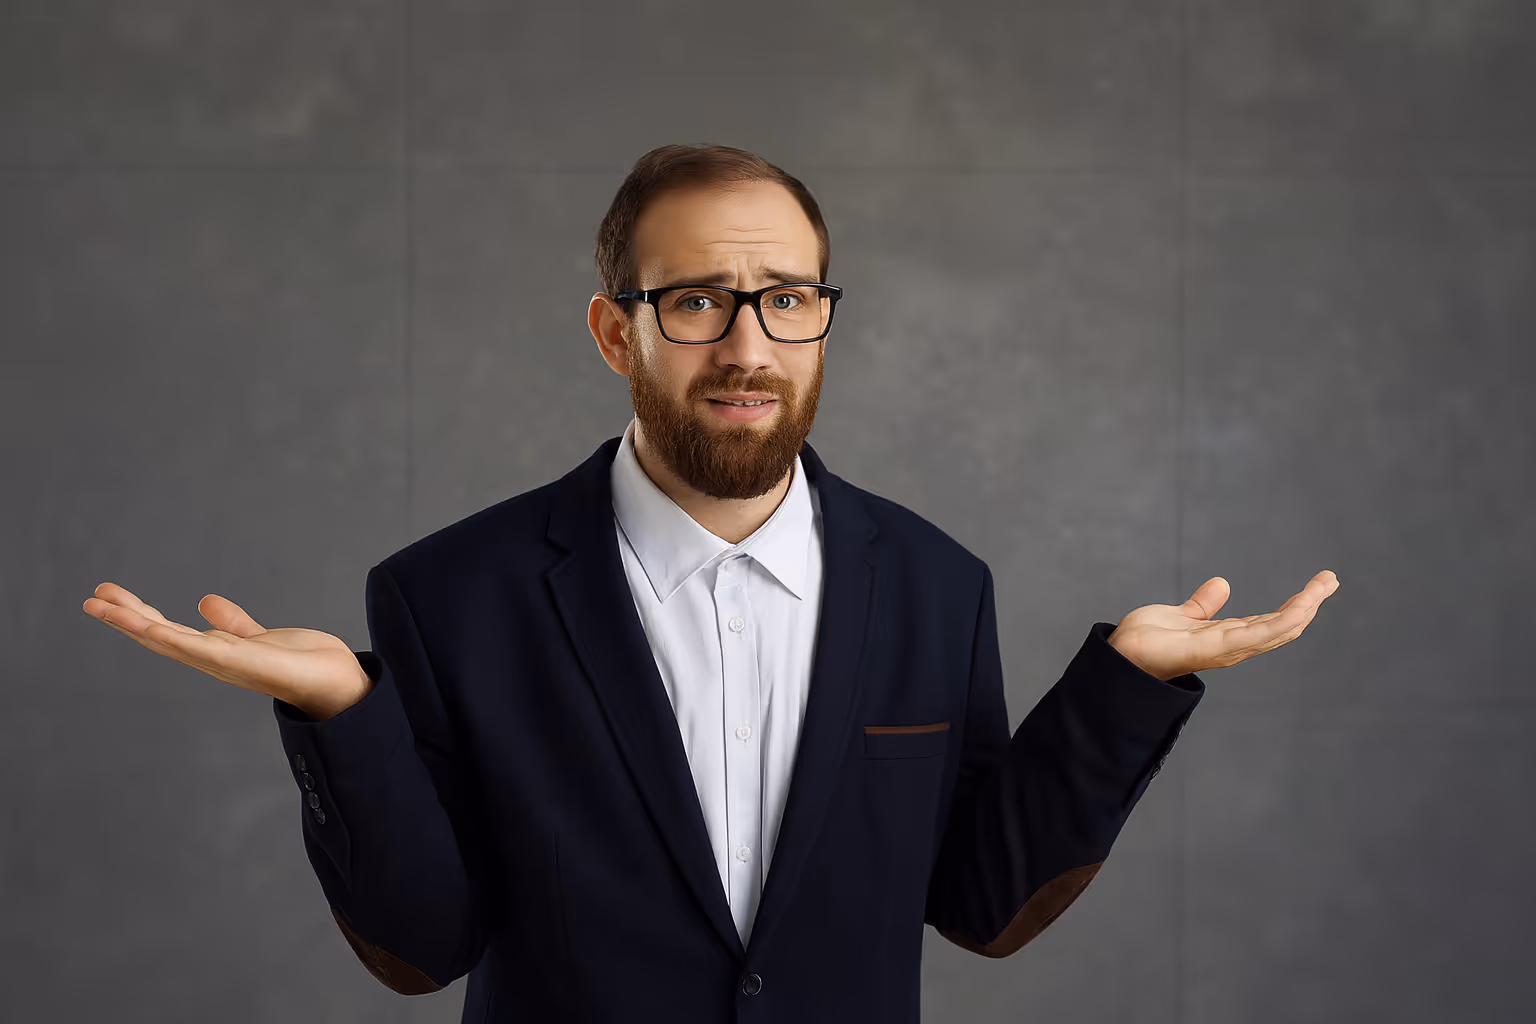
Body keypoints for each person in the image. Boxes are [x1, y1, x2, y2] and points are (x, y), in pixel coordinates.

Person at [83, 143, 1339, 1023]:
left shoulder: (937, 584)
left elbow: (981, 903)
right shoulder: (449, 593)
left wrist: (1126, 687)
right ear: (614, 330)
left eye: (786, 299)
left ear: (823, 318)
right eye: (696, 301)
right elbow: (424, 948)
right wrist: (338, 716)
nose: (749, 346)